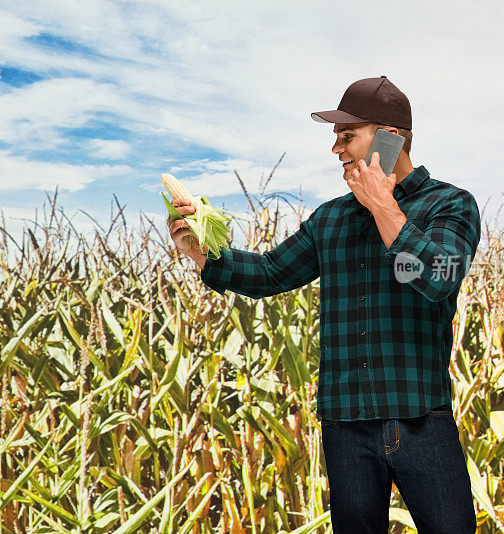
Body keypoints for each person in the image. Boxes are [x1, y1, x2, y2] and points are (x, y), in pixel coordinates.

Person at [167, 75, 480, 533]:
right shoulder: (331, 218)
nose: (337, 149)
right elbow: (271, 273)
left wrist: (383, 207)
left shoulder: (449, 205)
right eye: (335, 137)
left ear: (391, 139)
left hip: (421, 420)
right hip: (345, 425)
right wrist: (201, 252)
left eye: (347, 136)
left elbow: (437, 278)